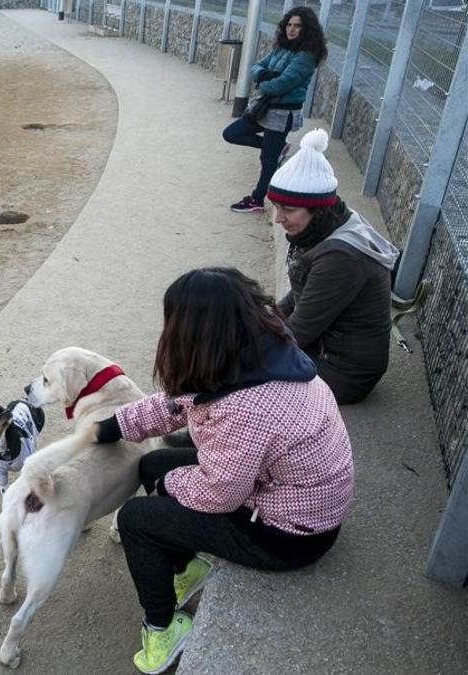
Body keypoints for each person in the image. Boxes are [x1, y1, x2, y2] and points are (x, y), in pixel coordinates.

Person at [92, 267, 353, 675]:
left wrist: (168, 484)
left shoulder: (247, 408)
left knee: (136, 519)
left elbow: (219, 494)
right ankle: (182, 568)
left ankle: (162, 632)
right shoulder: (260, 358)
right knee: (152, 462)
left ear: (194, 333)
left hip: (288, 535)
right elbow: (178, 402)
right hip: (289, 499)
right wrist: (112, 426)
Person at [269, 128, 399, 404]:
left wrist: (245, 345)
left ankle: (203, 435)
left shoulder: (341, 257)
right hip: (326, 350)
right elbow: (302, 294)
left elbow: (300, 331)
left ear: (317, 209)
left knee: (244, 373)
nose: (278, 218)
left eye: (288, 210)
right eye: (276, 207)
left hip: (343, 372)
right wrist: (263, 316)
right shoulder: (331, 224)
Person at [224, 6, 327, 214]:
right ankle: (277, 148)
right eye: (289, 24)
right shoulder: (282, 47)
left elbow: (282, 84)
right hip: (264, 108)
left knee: (268, 160)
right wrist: (266, 75)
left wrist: (263, 81)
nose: (291, 29)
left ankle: (256, 200)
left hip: (282, 113)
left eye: (297, 26)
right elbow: (256, 67)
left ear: (307, 29)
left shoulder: (306, 57)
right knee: (231, 133)